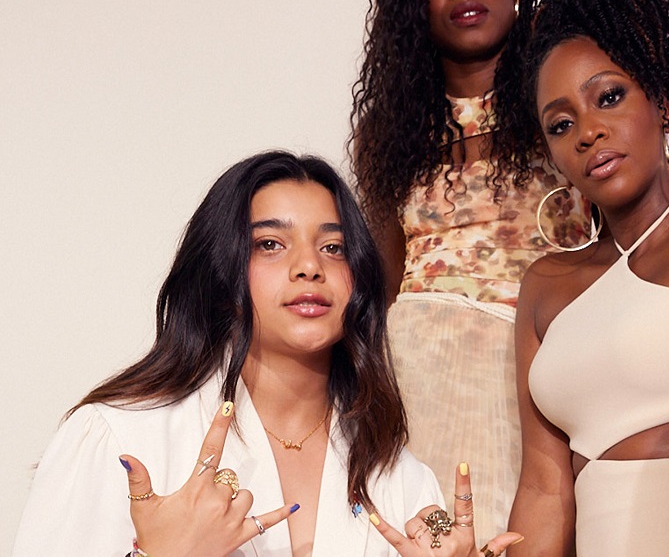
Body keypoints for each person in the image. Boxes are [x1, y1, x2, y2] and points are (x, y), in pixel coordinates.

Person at [13, 151, 521, 557]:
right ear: (223, 270)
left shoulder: (401, 479)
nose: (308, 266)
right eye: (271, 244)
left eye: (334, 247)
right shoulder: (119, 438)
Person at [349, 0, 585, 539]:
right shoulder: (392, 133)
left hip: (541, 390)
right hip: (425, 392)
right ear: (411, 5)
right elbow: (382, 288)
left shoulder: (570, 107)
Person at [507, 0, 669, 557]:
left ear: (661, 101)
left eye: (608, 97)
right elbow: (545, 489)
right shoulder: (546, 286)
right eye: (559, 124)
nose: (587, 132)